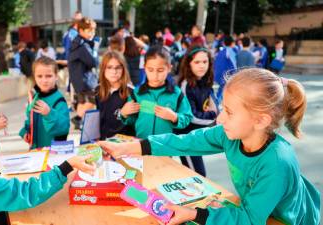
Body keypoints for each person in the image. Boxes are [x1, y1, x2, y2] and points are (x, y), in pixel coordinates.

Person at [99, 68, 321, 225]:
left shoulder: (277, 162)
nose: (220, 118)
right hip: (259, 210)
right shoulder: (231, 133)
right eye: (222, 108)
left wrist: (193, 214)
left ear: (261, 120)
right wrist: (129, 148)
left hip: (289, 220)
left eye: (230, 112)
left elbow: (250, 220)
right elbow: (184, 141)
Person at [119, 46, 193, 139]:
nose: (155, 75)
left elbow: (187, 117)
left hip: (166, 147)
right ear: (144, 68)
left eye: (160, 70)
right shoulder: (136, 94)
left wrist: (174, 117)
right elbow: (132, 120)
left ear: (169, 68)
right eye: (150, 70)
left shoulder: (177, 94)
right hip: (141, 146)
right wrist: (124, 114)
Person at [175, 46, 218, 176]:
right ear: (189, 64)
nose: (201, 66)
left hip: (198, 135)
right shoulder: (186, 85)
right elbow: (191, 116)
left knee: (197, 175)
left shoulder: (206, 81)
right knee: (197, 175)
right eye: (197, 62)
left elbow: (214, 105)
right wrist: (213, 115)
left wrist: (213, 113)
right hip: (186, 138)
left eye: (205, 62)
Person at [19, 56, 70, 149]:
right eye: (39, 76)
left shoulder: (59, 101)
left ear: (56, 76)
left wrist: (49, 113)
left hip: (53, 153)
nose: (44, 80)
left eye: (49, 76)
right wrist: (26, 132)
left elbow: (64, 128)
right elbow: (30, 119)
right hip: (36, 151)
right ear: (34, 76)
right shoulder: (34, 97)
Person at [96, 51, 135, 139]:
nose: (114, 71)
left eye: (118, 67)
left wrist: (122, 114)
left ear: (123, 69)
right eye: (109, 67)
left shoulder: (131, 92)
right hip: (102, 143)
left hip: (123, 145)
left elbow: (134, 123)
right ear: (103, 69)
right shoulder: (97, 91)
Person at [68, 17, 98, 129]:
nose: (92, 33)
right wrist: (94, 49)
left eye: (93, 30)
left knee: (82, 102)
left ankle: (78, 121)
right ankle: (78, 118)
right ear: (80, 31)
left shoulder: (76, 43)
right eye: (89, 31)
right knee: (94, 101)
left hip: (78, 79)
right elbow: (93, 62)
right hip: (85, 80)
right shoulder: (83, 45)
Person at [213, 36, 237, 102]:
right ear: (232, 43)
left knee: (219, 92)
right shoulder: (230, 51)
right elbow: (234, 65)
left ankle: (216, 103)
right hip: (226, 76)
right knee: (225, 93)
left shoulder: (221, 51)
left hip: (218, 75)